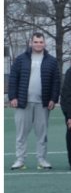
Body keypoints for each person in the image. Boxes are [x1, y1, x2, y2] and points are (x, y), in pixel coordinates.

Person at [8, 32, 60, 170]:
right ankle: (20, 160)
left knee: (42, 134)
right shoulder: (20, 59)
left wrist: (53, 99)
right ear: (31, 43)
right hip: (23, 102)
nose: (38, 44)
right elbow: (13, 78)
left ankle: (42, 159)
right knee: (21, 133)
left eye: (40, 42)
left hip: (42, 103)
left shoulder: (52, 61)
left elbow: (56, 82)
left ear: (44, 43)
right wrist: (12, 97)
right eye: (36, 42)